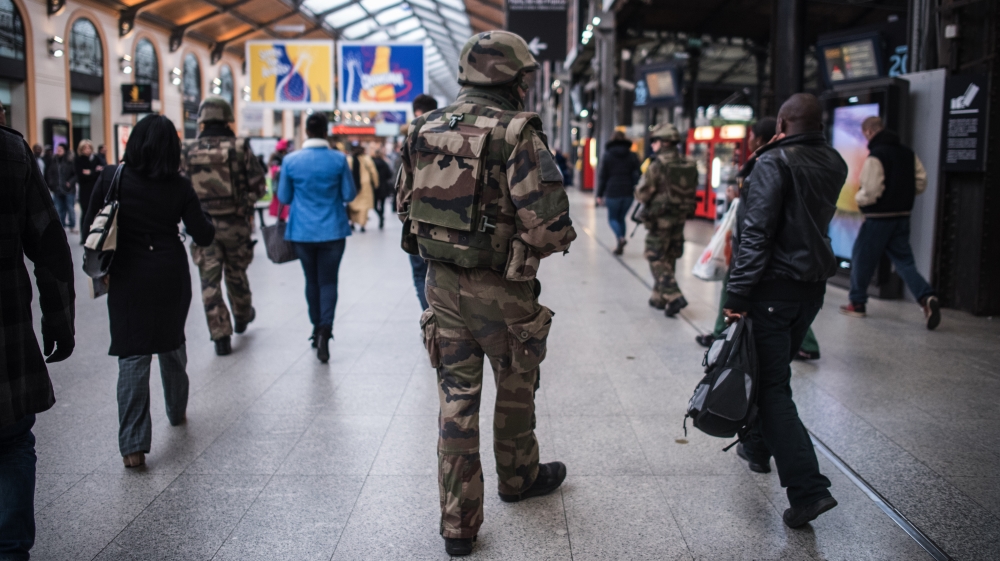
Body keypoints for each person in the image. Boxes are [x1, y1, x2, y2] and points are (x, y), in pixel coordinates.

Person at [397, 30, 577, 557]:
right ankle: (519, 479)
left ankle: (458, 525)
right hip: (502, 290)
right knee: (516, 387)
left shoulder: (422, 128)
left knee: (456, 404)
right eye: (525, 76)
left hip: (441, 287)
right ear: (513, 79)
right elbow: (547, 227)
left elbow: (406, 205)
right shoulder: (516, 132)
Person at [723, 93, 845, 528]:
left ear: (781, 123)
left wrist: (736, 296)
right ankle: (756, 447)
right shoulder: (834, 161)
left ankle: (808, 490)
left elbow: (755, 234)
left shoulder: (774, 162)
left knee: (772, 385)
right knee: (770, 371)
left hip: (772, 287)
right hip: (810, 289)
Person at [84, 115, 215, 468]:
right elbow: (203, 234)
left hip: (128, 275)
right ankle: (176, 411)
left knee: (133, 354)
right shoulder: (180, 185)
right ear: (172, 148)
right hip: (170, 274)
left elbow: (90, 225)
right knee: (172, 344)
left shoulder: (114, 177)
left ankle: (133, 447)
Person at [0, 104, 75, 561]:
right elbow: (48, 242)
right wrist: (60, 320)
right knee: (11, 440)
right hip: (4, 327)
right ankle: (10, 551)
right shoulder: (11, 151)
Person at [696, 118, 821, 360]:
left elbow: (762, 211)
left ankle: (722, 333)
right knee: (785, 297)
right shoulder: (776, 158)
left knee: (738, 284)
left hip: (761, 244)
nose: (749, 140)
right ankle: (807, 342)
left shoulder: (770, 161)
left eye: (752, 135)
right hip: (779, 249)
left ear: (761, 138)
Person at [180, 97, 267, 356]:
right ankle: (242, 316)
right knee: (236, 273)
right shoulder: (240, 147)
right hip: (235, 224)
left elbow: (181, 187)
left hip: (201, 225)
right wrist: (245, 203)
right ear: (228, 118)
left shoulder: (188, 149)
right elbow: (259, 185)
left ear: (203, 121)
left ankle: (220, 336)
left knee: (209, 282)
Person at [840, 116, 940, 330]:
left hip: (878, 218)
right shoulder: (907, 153)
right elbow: (921, 181)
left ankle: (857, 303)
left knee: (861, 257)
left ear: (868, 131)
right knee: (904, 262)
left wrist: (858, 199)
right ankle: (926, 297)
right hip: (902, 215)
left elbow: (872, 190)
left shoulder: (877, 155)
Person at [277, 113, 356, 363]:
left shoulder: (291, 161)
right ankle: (325, 329)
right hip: (333, 229)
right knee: (329, 282)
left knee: (311, 281)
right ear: (325, 131)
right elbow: (349, 194)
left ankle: (315, 328)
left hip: (302, 232)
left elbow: (285, 197)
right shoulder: (338, 159)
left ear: (307, 132)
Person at [634, 123, 698, 317]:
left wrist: (638, 192)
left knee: (654, 254)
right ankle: (659, 298)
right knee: (669, 255)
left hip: (659, 217)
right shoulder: (689, 163)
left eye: (655, 141)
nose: (652, 144)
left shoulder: (658, 165)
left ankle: (673, 295)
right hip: (680, 216)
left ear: (664, 143)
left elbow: (643, 193)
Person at [404, 94, 440, 311]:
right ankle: (440, 318)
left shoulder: (411, 136)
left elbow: (403, 186)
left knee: (420, 272)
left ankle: (430, 317)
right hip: (446, 218)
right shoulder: (450, 135)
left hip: (417, 217)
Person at [596, 130, 641, 254]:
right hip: (628, 192)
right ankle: (620, 244)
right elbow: (638, 172)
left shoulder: (608, 155)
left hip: (612, 191)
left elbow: (603, 176)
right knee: (621, 218)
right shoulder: (632, 155)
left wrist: (599, 194)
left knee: (613, 218)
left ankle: (620, 238)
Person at [75, 139, 104, 245]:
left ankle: (96, 236)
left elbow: (102, 170)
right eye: (85, 148)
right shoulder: (79, 160)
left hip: (96, 189)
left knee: (97, 213)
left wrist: (90, 172)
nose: (87, 150)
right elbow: (81, 175)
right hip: (85, 191)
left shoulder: (96, 158)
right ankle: (84, 237)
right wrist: (94, 171)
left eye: (89, 148)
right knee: (86, 213)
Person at [45, 143, 76, 233]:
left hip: (68, 190)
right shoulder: (54, 160)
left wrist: (70, 182)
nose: (58, 151)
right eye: (57, 149)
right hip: (57, 189)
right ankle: (61, 226)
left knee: (70, 208)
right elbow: (49, 173)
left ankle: (72, 225)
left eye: (60, 149)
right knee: (59, 209)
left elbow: (75, 174)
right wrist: (51, 184)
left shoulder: (70, 161)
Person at [346, 141, 376, 232]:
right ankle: (363, 224)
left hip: (353, 185)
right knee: (363, 207)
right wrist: (376, 183)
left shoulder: (349, 159)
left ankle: (352, 223)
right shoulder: (367, 159)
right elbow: (373, 172)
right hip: (365, 186)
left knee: (352, 205)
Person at [371, 147, 395, 230]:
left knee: (374, 205)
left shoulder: (372, 163)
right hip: (384, 186)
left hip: (375, 187)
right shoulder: (385, 163)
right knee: (382, 204)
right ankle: (382, 217)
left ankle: (380, 215)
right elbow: (389, 175)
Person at [268, 139, 290, 221]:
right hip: (281, 187)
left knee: (279, 210)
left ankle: (280, 225)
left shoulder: (275, 158)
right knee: (281, 210)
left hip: (277, 188)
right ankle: (281, 227)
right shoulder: (281, 159)